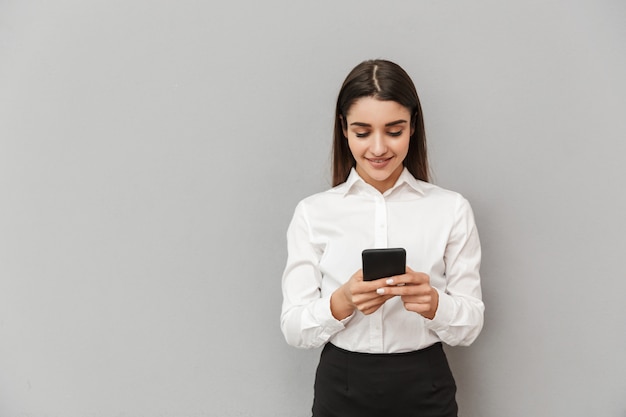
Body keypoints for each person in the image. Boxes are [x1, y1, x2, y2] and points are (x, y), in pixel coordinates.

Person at [280, 59, 484, 417]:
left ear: (413, 127)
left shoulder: (450, 209)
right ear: (343, 129)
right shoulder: (313, 213)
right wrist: (341, 301)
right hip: (341, 386)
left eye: (394, 130)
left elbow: (470, 325)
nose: (378, 148)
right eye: (362, 132)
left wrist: (433, 302)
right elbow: (294, 329)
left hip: (426, 384)